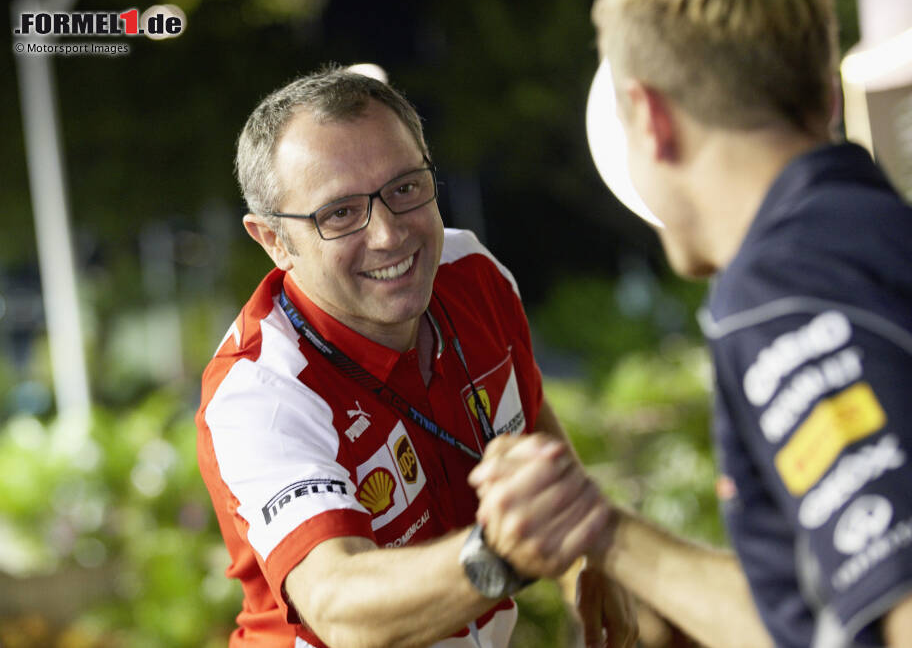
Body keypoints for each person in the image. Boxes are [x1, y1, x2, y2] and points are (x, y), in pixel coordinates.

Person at [468, 0, 912, 647]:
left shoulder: (785, 287)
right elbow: (835, 601)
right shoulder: (886, 239)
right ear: (826, 96)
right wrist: (601, 528)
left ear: (650, 118)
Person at [194, 66, 635, 648]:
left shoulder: (472, 274)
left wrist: (588, 563)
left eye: (405, 189)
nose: (389, 235)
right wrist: (499, 557)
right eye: (340, 213)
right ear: (274, 241)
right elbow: (340, 606)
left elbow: (526, 421)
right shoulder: (261, 392)